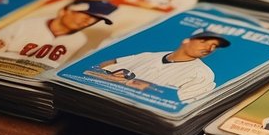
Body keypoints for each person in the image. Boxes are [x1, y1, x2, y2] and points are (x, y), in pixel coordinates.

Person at [93, 30, 230, 102]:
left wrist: (136, 85)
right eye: (204, 41)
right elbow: (105, 65)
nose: (209, 48)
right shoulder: (148, 56)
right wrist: (108, 76)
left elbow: (180, 105)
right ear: (186, 40)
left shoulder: (203, 74)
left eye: (214, 46)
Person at [0, 0, 117, 69]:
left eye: (96, 20)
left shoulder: (80, 39)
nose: (88, 22)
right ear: (64, 11)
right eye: (85, 15)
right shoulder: (26, 24)